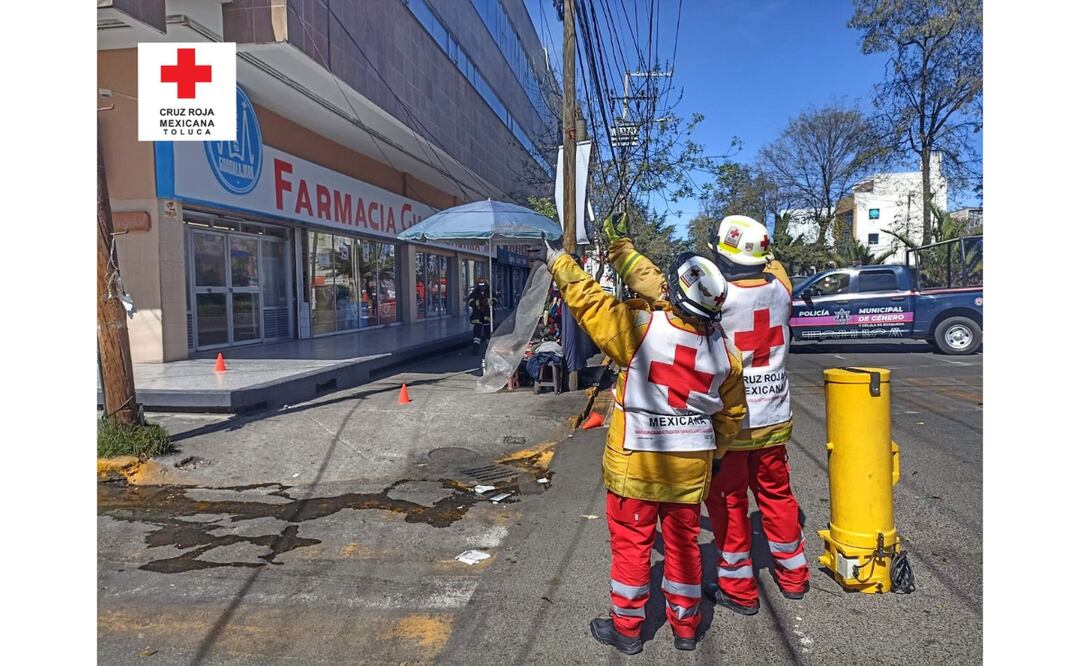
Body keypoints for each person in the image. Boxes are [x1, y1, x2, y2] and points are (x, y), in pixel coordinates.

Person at [540, 238, 747, 654]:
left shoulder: (640, 328)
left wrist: (560, 264)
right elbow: (731, 417)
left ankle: (628, 629)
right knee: (684, 548)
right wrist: (719, 456)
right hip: (689, 471)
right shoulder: (727, 353)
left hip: (636, 466)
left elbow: (590, 303)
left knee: (632, 549)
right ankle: (686, 627)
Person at [605, 213, 809, 616]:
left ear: (719, 253)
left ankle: (740, 588)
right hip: (774, 420)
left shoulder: (713, 295)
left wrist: (620, 247)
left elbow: (649, 280)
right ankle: (794, 575)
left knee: (730, 506)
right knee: (778, 496)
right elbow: (772, 262)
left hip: (730, 426)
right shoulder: (782, 287)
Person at [467, 278, 494, 356]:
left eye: (483, 285)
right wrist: (478, 302)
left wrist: (489, 301)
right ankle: (475, 350)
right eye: (480, 285)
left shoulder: (490, 292)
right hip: (477, 316)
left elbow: (497, 300)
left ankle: (489, 351)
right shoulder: (475, 293)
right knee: (477, 334)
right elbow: (470, 302)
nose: (482, 286)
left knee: (488, 334)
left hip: (487, 316)